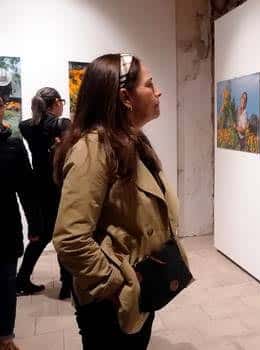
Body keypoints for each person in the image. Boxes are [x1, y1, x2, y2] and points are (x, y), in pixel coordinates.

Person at [52, 53, 187, 349]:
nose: (158, 91)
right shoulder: (93, 149)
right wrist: (120, 284)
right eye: (150, 85)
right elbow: (70, 239)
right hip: (110, 305)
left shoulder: (132, 140)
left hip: (139, 288)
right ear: (125, 97)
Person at [17, 87, 73, 298]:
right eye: (61, 102)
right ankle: (66, 284)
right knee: (64, 232)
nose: (62, 106)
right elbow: (72, 152)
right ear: (55, 103)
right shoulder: (62, 124)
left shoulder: (25, 127)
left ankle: (22, 279)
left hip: (39, 187)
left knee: (44, 233)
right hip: (60, 185)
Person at [0, 96, 42, 350]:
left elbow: (26, 189)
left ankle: (5, 337)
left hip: (5, 227)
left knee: (5, 284)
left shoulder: (13, 145)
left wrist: (35, 225)